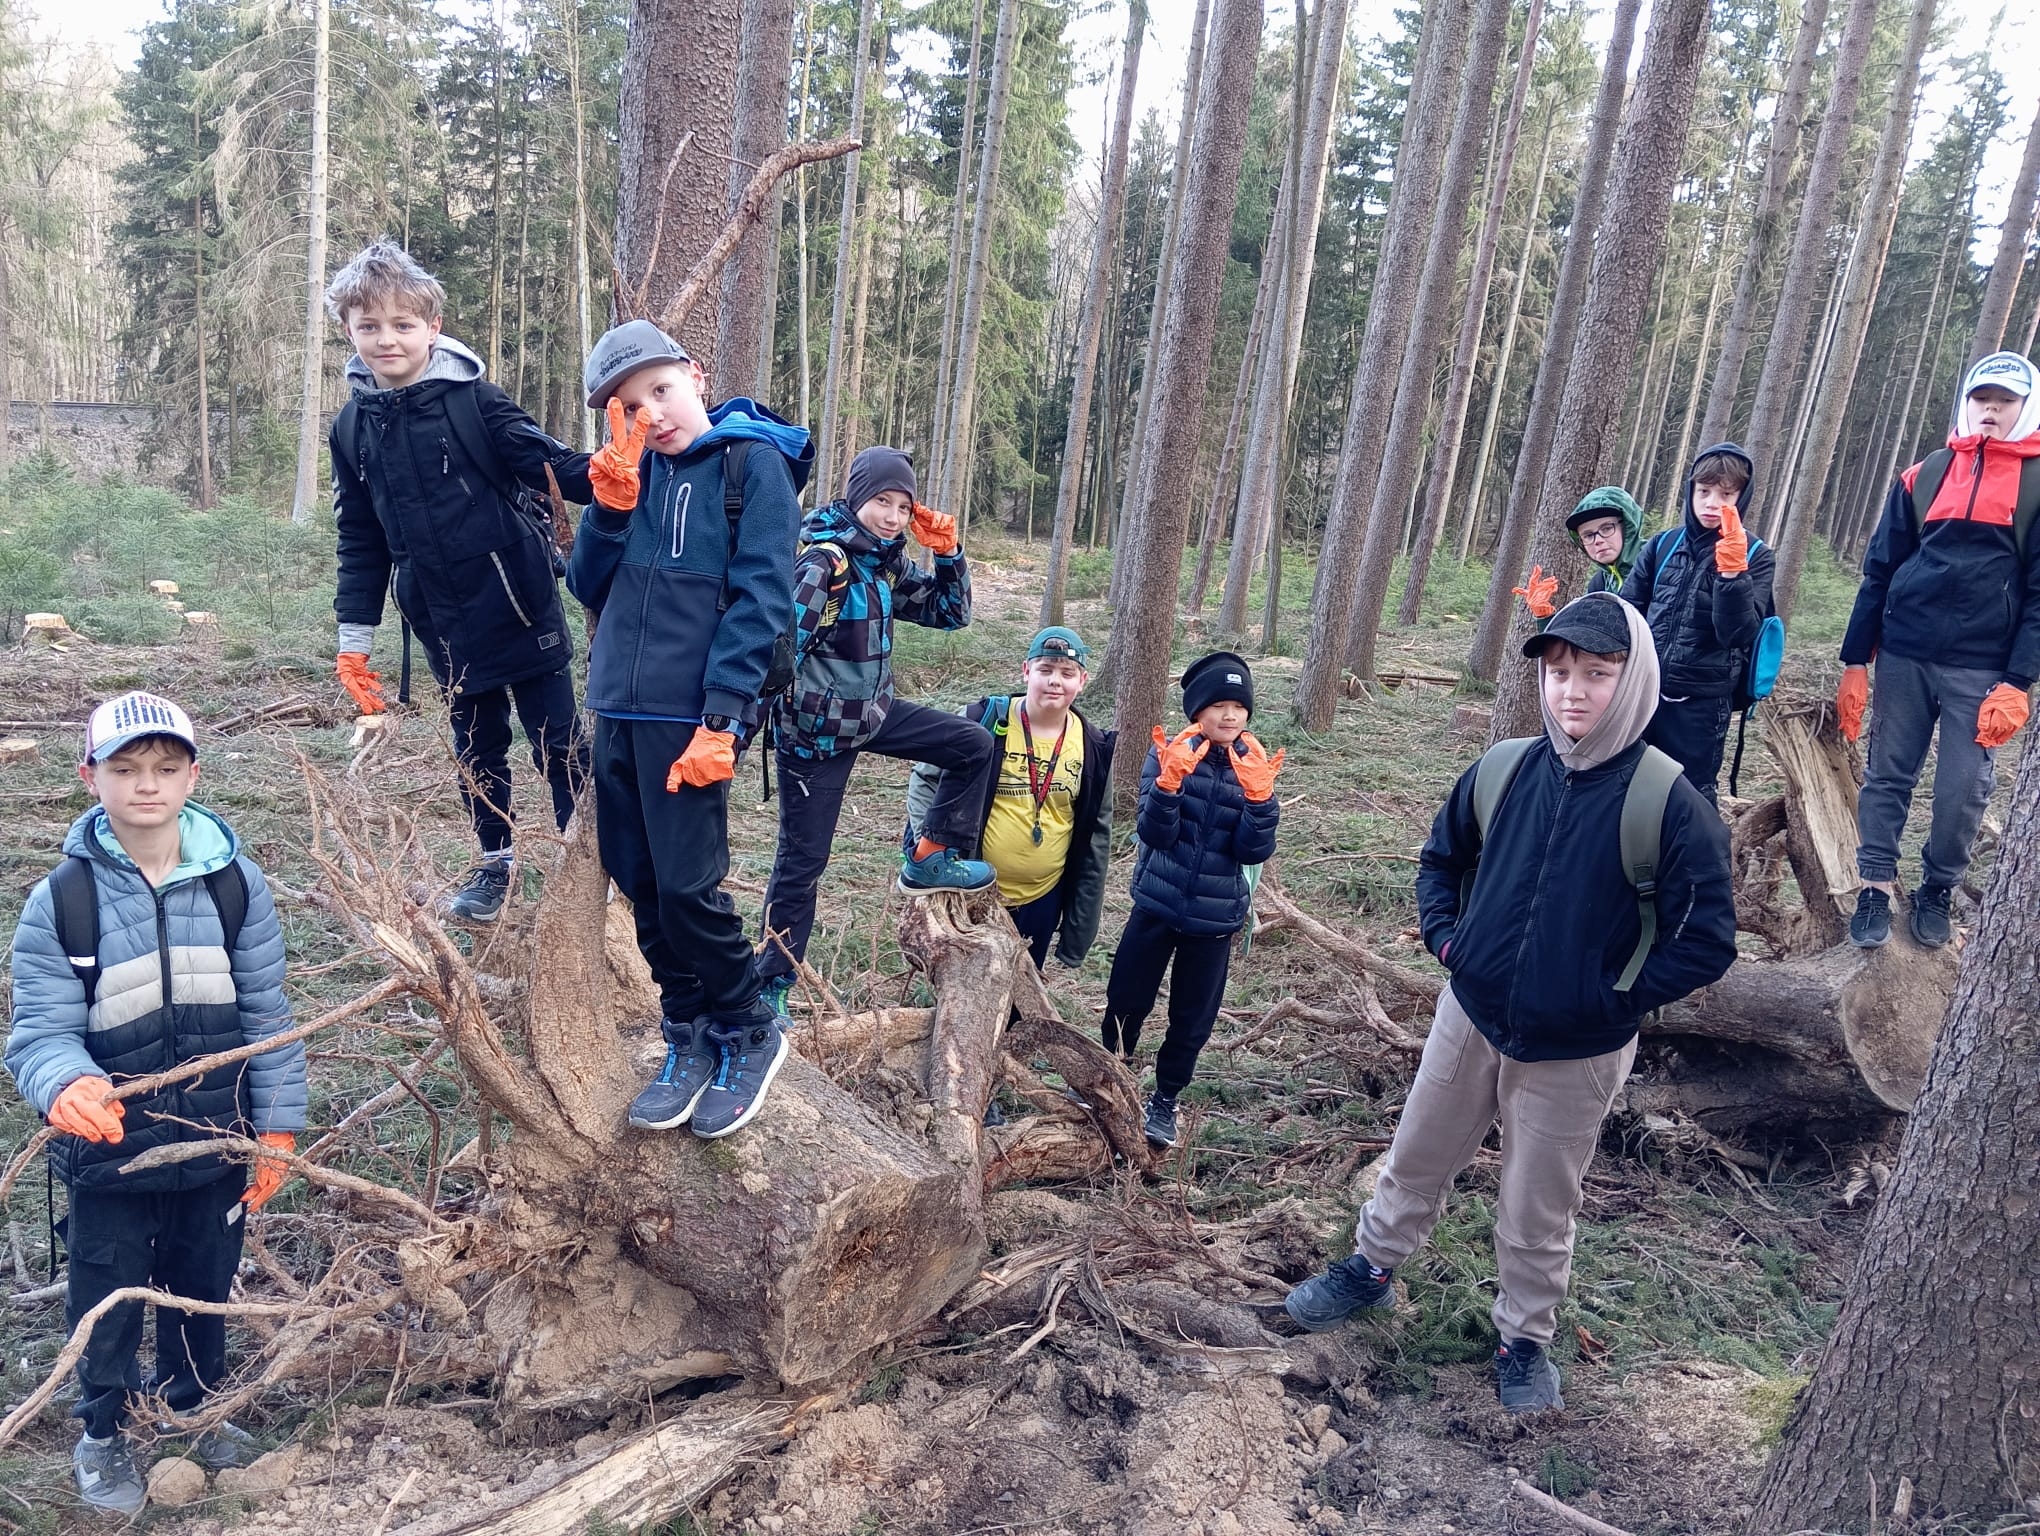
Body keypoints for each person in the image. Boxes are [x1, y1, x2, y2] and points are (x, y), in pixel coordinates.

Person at [1282, 595, 1736, 1413]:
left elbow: (1706, 941)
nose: (1572, 691)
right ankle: (1371, 1269)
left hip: (1579, 1050)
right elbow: (1440, 860)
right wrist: (1450, 945)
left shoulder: (1669, 803)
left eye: (1596, 674)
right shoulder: (1504, 768)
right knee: (1416, 1156)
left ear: (1633, 680)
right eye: (1558, 673)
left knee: (1539, 1204)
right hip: (1471, 1015)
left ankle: (1523, 1339)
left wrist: (1611, 999)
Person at [5, 692, 307, 1514]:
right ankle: (102, 1429)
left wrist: (277, 1126)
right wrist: (66, 1083)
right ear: (90, 778)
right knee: (106, 1292)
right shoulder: (63, 900)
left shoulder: (236, 886)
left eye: (166, 768)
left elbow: (268, 1016)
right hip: (110, 1149)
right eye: (126, 768)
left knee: (203, 1278)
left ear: (192, 777)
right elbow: (41, 1031)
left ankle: (193, 1405)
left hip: (215, 1136)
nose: (147, 784)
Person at [566, 319, 812, 1139]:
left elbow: (762, 600)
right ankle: (688, 1031)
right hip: (617, 708)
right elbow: (586, 585)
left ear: (697, 375)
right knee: (639, 882)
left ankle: (748, 1025)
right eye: (632, 406)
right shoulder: (630, 472)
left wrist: (723, 721)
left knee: (686, 887)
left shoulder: (752, 466)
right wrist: (607, 510)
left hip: (690, 716)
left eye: (663, 391)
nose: (654, 414)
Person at [326, 241, 596, 922]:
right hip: (440, 618)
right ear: (349, 331)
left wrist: (615, 469)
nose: (387, 339)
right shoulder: (352, 427)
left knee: (557, 739)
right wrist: (354, 642)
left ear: (433, 327)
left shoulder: (473, 401)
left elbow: (552, 467)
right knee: (476, 746)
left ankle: (586, 862)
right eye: (369, 325)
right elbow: (360, 539)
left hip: (519, 601)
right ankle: (496, 863)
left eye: (403, 324)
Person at [753, 446, 999, 1011]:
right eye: (881, 501)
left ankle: (928, 855)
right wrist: (731, 733)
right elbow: (775, 657)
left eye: (902, 506)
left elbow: (950, 613)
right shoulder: (826, 564)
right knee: (802, 866)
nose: (892, 517)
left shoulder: (883, 562)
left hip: (872, 714)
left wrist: (949, 554)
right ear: (856, 497)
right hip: (816, 737)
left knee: (972, 744)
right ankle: (771, 984)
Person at [1836, 349, 2040, 949]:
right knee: (1887, 776)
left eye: (2005, 401)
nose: (1991, 411)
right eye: (1982, 399)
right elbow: (1880, 569)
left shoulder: (2036, 485)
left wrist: (2018, 681)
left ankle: (1938, 887)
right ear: (1966, 403)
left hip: (1981, 669)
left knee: (1960, 791)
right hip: (1904, 654)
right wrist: (1855, 660)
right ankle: (1875, 885)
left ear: (2026, 408)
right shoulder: (1923, 475)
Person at [1100, 652, 1284, 1151]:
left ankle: (1165, 1099)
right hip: (1156, 904)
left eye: (1239, 707)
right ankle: (1109, 1078)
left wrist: (1261, 801)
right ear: (1197, 710)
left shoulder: (1253, 762)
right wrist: (1168, 785)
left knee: (1191, 1017)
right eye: (1219, 705)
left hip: (1215, 917)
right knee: (1126, 999)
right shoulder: (1168, 752)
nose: (1230, 715)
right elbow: (1155, 833)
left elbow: (1252, 850)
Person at [903, 626, 1117, 972]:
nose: (1055, 681)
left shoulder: (1094, 747)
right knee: (967, 985)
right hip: (971, 891)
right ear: (1026, 671)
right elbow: (925, 778)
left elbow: (1097, 841)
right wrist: (929, 852)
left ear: (1082, 681)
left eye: (1067, 673)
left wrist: (1079, 933)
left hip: (1043, 898)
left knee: (1022, 986)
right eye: (1045, 670)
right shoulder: (982, 721)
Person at [1615, 445, 1777, 804]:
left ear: (1741, 497)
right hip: (1643, 692)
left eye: (1725, 494)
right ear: (1691, 491)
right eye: (1703, 491)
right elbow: (1626, 615)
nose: (1711, 503)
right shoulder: (1662, 545)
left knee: (1688, 797)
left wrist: (1732, 574)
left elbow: (1736, 635)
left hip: (1701, 706)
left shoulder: (1756, 556)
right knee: (1623, 785)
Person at [1513, 486, 1649, 623]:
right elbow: (1592, 635)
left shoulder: (1655, 567)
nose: (1598, 540)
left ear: (1628, 527)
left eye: (1607, 528)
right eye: (1588, 535)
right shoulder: (1599, 585)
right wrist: (1544, 617)